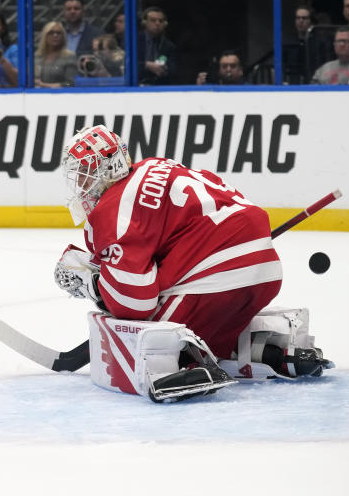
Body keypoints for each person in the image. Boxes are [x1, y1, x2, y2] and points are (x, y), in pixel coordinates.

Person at [54, 125, 331, 403]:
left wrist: (93, 283)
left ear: (109, 168)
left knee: (145, 331)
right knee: (202, 318)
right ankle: (269, 351)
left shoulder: (112, 210)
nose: (81, 184)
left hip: (217, 270)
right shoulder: (155, 165)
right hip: (263, 268)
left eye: (86, 173)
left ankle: (188, 363)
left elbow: (134, 302)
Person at [137, 6, 176, 85]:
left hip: (158, 85)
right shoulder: (135, 41)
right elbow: (126, 66)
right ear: (144, 23)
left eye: (161, 21)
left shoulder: (168, 45)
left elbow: (173, 70)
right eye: (153, 20)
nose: (157, 23)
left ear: (165, 24)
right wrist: (146, 65)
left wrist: (165, 69)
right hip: (136, 84)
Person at [34, 21, 77, 88]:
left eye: (58, 33)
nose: (55, 35)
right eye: (51, 33)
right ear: (45, 36)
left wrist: (46, 85)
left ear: (63, 36)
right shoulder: (36, 57)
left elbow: (71, 84)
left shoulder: (69, 57)